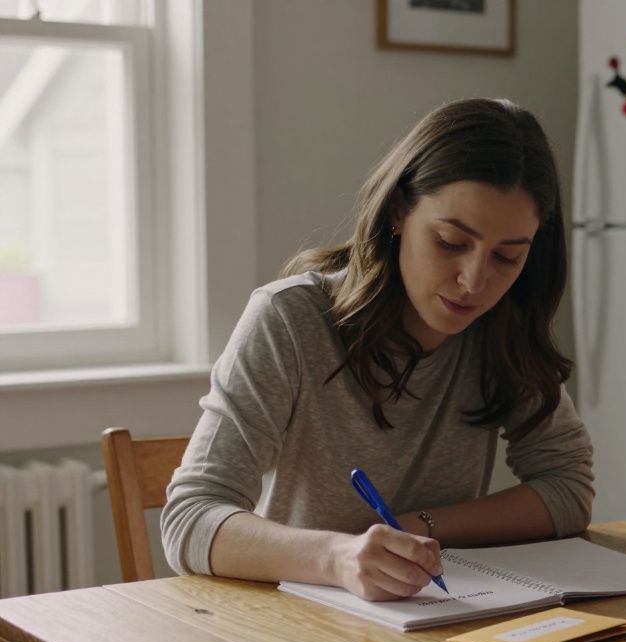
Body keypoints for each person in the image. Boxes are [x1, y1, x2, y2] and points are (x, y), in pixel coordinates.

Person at [161, 99, 593, 602]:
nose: (475, 282)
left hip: (442, 621)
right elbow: (189, 519)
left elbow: (567, 489)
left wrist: (417, 527)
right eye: (451, 241)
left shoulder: (500, 331)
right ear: (397, 213)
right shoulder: (290, 320)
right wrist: (340, 557)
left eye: (507, 256)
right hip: (302, 626)